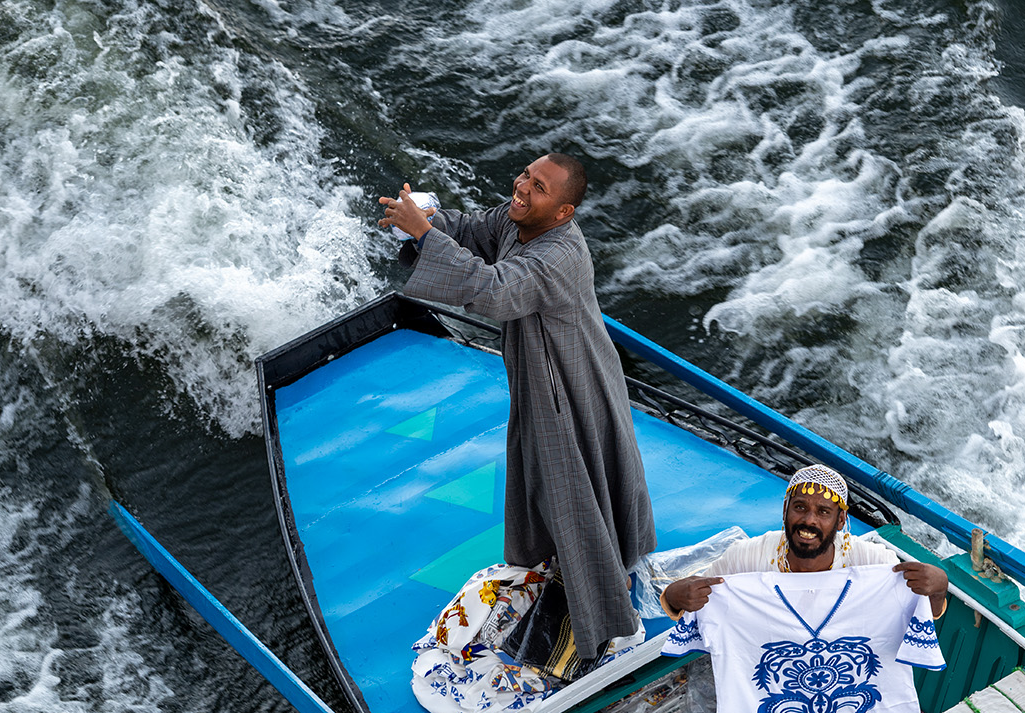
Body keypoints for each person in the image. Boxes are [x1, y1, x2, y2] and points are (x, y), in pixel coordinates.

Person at [379, 154, 657, 664]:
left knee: (571, 494)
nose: (524, 187)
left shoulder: (560, 255)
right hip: (539, 382)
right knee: (550, 481)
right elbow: (469, 230)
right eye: (527, 175)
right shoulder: (515, 219)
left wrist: (424, 237)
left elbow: (495, 291)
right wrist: (425, 220)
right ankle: (557, 562)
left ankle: (600, 629)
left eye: (540, 187)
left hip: (571, 389)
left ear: (563, 212)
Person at [659, 463, 949, 619]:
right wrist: (674, 596)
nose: (809, 520)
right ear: (785, 510)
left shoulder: (874, 563)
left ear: (840, 522)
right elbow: (691, 602)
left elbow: (920, 615)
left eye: (823, 512)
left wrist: (937, 590)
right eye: (800, 508)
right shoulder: (747, 557)